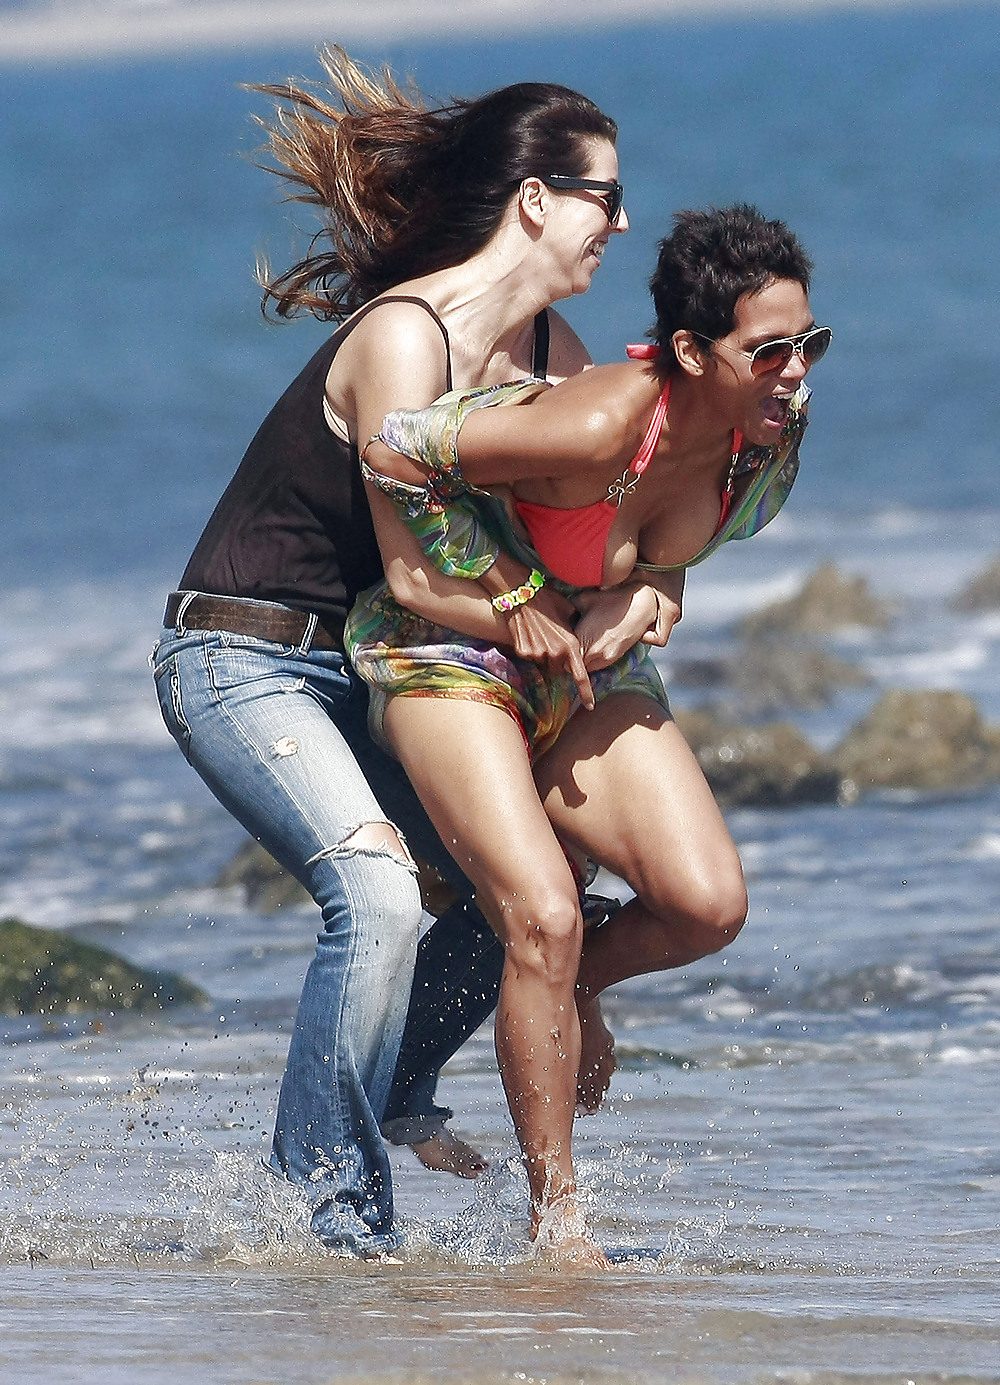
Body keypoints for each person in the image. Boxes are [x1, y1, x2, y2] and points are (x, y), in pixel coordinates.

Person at [150, 45, 654, 1256]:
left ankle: (394, 1092)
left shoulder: (549, 353)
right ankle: (326, 1219)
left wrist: (654, 592)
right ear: (536, 198)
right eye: (604, 196)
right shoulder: (402, 334)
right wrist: (536, 612)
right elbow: (424, 568)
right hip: (246, 657)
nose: (621, 222)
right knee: (376, 898)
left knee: (534, 900)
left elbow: (621, 513)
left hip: (373, 667)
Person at [349, 205, 830, 1260]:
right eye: (770, 351)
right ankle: (557, 1224)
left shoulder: (768, 440)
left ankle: (573, 991)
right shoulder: (595, 420)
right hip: (450, 652)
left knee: (706, 904)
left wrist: (656, 585)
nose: (795, 372)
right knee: (544, 913)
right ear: (693, 352)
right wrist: (511, 588)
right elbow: (394, 450)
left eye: (809, 344)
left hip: (590, 667)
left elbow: (666, 546)